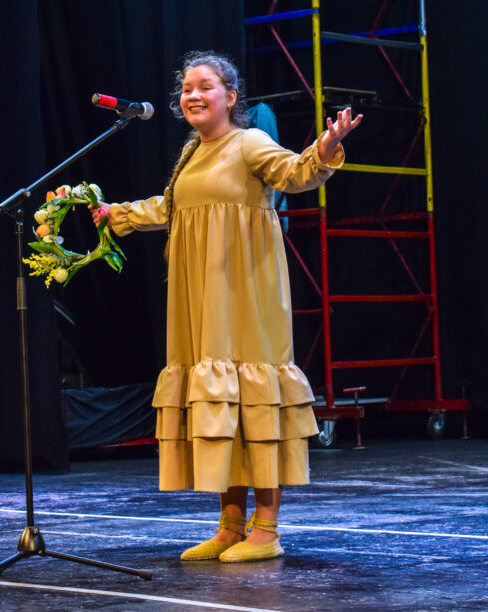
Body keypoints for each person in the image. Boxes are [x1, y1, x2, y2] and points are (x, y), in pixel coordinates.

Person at [90, 50, 362, 562]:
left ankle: (267, 529)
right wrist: (118, 214)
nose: (193, 95)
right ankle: (231, 525)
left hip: (246, 294)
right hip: (200, 295)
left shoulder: (249, 142)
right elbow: (170, 208)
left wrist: (326, 147)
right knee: (221, 403)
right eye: (187, 88)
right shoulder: (192, 153)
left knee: (255, 399)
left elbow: (294, 173)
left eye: (205, 86)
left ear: (231, 97)